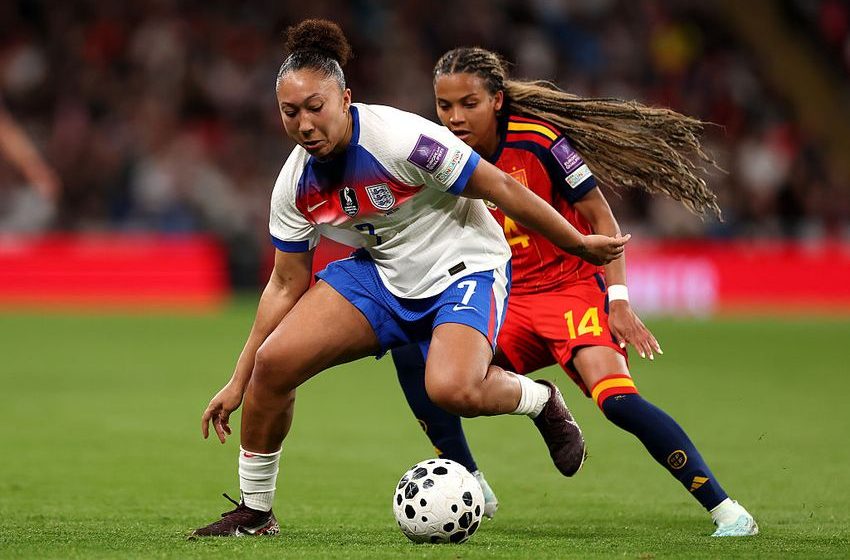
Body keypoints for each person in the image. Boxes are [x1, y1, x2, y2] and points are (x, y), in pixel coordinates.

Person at [191, 20, 628, 537]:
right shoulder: (294, 184)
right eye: (291, 112)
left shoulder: (403, 140)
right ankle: (256, 511)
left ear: (345, 99)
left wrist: (575, 242)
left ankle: (540, 400)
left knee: (451, 389)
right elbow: (285, 284)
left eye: (315, 107)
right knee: (272, 365)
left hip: (464, 265)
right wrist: (239, 380)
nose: (305, 124)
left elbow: (501, 188)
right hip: (382, 272)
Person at [392, 47, 758, 537]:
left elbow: (601, 219)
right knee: (416, 357)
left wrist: (619, 300)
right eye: (444, 105)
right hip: (502, 297)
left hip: (571, 290)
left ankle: (726, 509)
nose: (454, 117)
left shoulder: (540, 141)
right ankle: (471, 477)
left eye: (468, 104)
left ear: (496, 100)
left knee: (618, 402)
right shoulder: (434, 153)